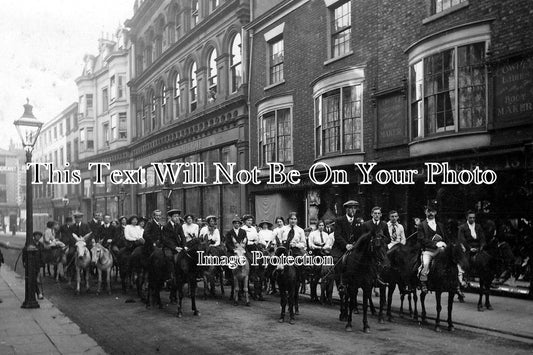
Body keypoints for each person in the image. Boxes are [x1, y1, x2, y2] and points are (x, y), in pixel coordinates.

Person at [418, 200, 447, 293]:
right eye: (428, 211)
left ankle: (456, 281)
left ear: (436, 212)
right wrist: (435, 244)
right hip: (428, 250)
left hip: (440, 250)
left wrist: (444, 243)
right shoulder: (422, 225)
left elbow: (446, 237)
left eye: (433, 211)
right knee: (425, 263)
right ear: (425, 212)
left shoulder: (440, 225)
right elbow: (421, 239)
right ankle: (423, 283)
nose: (431, 213)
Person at [458, 210, 485, 287]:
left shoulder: (478, 227)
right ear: (467, 217)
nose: (472, 219)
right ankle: (466, 277)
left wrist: (481, 246)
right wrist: (470, 248)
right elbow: (462, 239)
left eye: (473, 218)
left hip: (478, 248)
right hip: (467, 248)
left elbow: (482, 238)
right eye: (470, 218)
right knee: (466, 261)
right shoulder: (462, 227)